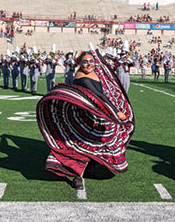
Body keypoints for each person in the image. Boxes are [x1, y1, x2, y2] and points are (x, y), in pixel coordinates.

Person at [36, 50, 134, 190]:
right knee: (83, 144)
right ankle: (78, 176)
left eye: (91, 61)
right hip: (85, 115)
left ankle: (90, 166)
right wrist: (115, 111)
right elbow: (99, 95)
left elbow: (104, 74)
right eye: (85, 61)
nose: (89, 64)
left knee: (96, 142)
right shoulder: (82, 76)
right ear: (79, 63)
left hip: (97, 113)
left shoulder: (94, 71)